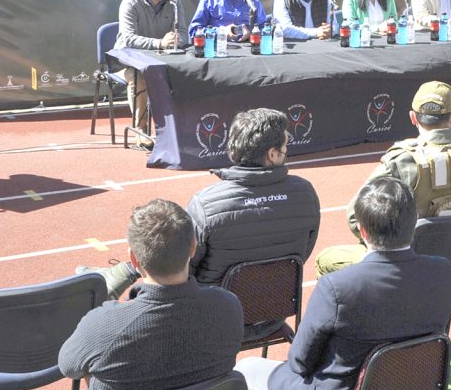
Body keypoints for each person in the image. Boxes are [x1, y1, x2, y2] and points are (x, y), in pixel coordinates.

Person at [236, 176, 451, 390]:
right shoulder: (443, 272)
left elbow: (300, 362)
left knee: (244, 370)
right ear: (414, 222)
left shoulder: (339, 287)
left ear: (362, 231)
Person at [23, 199, 243, 390]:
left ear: (134, 259)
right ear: (193, 247)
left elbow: (68, 365)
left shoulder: (103, 326)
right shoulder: (228, 307)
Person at [80, 108, 321, 326]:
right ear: (272, 154)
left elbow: (182, 268)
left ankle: (121, 275)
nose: (287, 151)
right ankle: (121, 273)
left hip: (212, 318)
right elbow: (304, 252)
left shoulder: (205, 203)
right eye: (285, 146)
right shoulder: (306, 193)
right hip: (274, 312)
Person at [316, 80, 451, 275]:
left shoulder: (403, 161)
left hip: (409, 266)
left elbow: (354, 216)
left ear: (413, 118)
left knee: (326, 260)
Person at [115, 0, 182, 146]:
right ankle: (141, 130)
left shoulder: (174, 3)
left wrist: (176, 38)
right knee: (140, 77)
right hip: (129, 60)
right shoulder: (130, 2)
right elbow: (128, 39)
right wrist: (159, 42)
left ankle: (179, 129)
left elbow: (183, 33)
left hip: (161, 58)